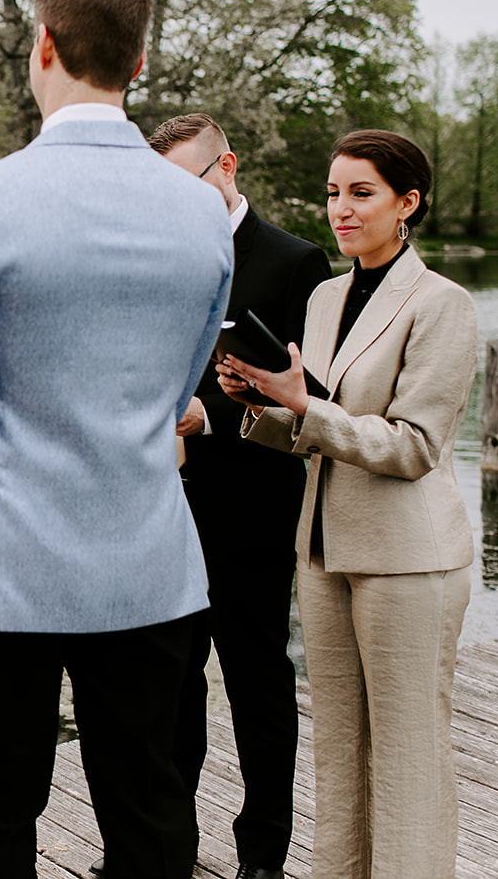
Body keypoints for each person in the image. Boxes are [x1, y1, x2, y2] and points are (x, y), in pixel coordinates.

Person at [0, 0, 234, 879]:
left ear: (44, 44)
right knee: (153, 816)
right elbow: (181, 377)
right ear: (140, 62)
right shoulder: (203, 214)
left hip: (8, 566)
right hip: (150, 564)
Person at [217, 130, 478, 879]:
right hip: (325, 549)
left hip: (409, 556)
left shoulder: (441, 304)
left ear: (408, 203)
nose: (341, 208)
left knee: (407, 750)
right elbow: (318, 421)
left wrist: (307, 408)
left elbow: (413, 446)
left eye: (361, 192)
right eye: (333, 193)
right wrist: (261, 401)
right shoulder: (326, 295)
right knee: (338, 746)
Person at [149, 114, 329, 879]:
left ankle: (263, 857)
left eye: (185, 183)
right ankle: (168, 848)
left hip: (252, 506)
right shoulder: (151, 255)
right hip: (160, 508)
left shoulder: (295, 262)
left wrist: (211, 413)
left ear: (227, 165)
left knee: (258, 684)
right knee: (168, 688)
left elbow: (315, 391)